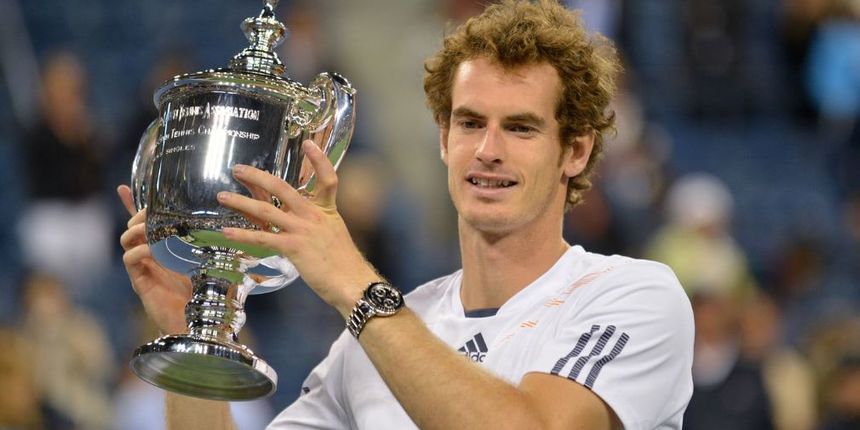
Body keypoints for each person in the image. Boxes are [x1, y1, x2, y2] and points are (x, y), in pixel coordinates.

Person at [118, 1, 694, 428]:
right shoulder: (379, 338)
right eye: (469, 123)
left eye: (520, 127)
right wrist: (192, 327)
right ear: (443, 140)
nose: (488, 150)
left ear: (575, 150)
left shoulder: (633, 297)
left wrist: (353, 282)